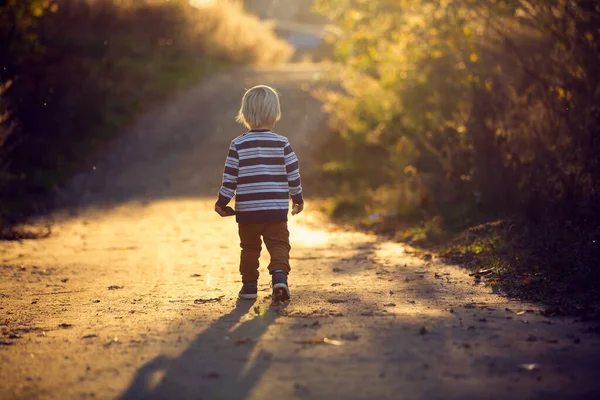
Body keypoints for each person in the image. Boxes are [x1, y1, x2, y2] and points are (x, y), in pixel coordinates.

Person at [215, 85, 304, 301]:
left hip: (248, 212)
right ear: (275, 114)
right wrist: (297, 198)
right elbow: (293, 173)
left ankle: (249, 286)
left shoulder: (238, 144)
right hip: (275, 211)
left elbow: (230, 179)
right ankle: (280, 277)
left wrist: (222, 202)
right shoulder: (282, 143)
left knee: (249, 248)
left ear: (244, 114)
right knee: (279, 245)